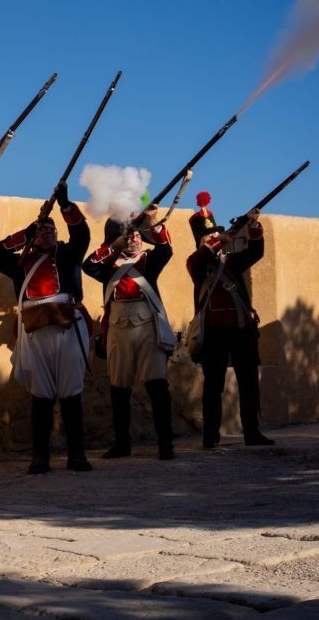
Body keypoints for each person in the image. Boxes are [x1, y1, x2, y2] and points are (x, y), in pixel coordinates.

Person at [0, 182, 92, 474]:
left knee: (71, 393)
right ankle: (40, 457)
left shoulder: (70, 254)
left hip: (67, 326)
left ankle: (77, 454)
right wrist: (26, 235)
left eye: (50, 230)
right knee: (41, 395)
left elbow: (82, 233)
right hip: (34, 330)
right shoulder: (21, 262)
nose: (47, 234)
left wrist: (65, 205)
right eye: (42, 231)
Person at [83, 208, 176, 460]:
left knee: (157, 384)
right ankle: (122, 444)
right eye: (129, 235)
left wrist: (153, 220)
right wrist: (114, 245)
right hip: (117, 327)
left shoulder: (149, 260)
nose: (135, 239)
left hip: (148, 325)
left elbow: (166, 249)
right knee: (119, 387)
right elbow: (88, 265)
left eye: (137, 235)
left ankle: (165, 444)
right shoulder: (108, 264)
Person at [186, 193, 274, 448]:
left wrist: (254, 226)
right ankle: (210, 437)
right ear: (201, 242)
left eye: (218, 234)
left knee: (249, 384)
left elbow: (255, 252)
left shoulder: (232, 262)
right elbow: (197, 260)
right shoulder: (198, 264)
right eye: (210, 236)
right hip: (212, 332)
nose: (216, 238)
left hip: (241, 330)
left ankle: (252, 433)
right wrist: (215, 243)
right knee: (213, 386)